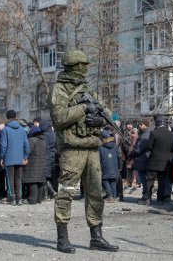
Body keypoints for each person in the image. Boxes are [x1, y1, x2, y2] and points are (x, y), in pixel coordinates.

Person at [49, 50, 118, 254]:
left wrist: (99, 120)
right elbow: (60, 118)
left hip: (92, 148)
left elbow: (105, 112)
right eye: (83, 64)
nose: (86, 68)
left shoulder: (87, 88)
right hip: (72, 149)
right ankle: (62, 239)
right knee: (66, 193)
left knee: (96, 193)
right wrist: (84, 109)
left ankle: (96, 237)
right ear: (75, 66)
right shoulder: (59, 89)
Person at [138, 116, 173, 205]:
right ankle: (160, 199)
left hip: (153, 161)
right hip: (165, 162)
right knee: (162, 182)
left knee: (149, 181)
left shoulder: (154, 133)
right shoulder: (171, 134)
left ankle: (147, 199)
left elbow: (149, 147)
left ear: (157, 123)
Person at [0, 110, 30, 206]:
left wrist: (2, 157)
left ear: (7, 117)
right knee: (18, 178)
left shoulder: (5, 130)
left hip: (9, 158)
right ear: (16, 116)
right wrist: (25, 156)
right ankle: (19, 198)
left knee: (10, 179)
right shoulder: (22, 129)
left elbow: (3, 145)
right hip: (20, 158)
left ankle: (12, 199)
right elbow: (26, 145)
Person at [22, 125, 46, 204]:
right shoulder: (42, 141)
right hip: (41, 164)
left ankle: (32, 200)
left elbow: (28, 152)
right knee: (39, 181)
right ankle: (39, 200)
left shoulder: (32, 140)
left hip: (33, 164)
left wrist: (24, 158)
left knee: (33, 182)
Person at [128, 119, 151, 199]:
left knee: (144, 180)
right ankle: (146, 196)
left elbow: (139, 148)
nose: (139, 125)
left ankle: (146, 197)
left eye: (141, 124)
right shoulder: (145, 134)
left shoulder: (145, 135)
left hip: (143, 160)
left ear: (146, 125)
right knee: (145, 180)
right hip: (143, 159)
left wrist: (131, 154)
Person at [99, 130, 122, 203]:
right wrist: (120, 166)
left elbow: (98, 159)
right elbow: (119, 156)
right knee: (112, 181)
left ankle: (109, 196)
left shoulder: (100, 147)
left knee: (105, 181)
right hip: (114, 166)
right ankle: (114, 196)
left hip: (105, 166)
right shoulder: (115, 145)